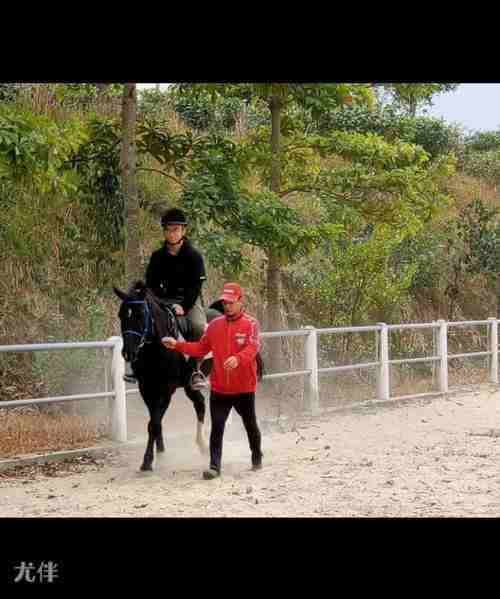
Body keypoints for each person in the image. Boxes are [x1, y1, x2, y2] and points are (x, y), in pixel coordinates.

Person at [162, 282, 263, 479]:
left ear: (240, 301)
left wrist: (238, 358)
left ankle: (257, 457)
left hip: (244, 388)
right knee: (217, 426)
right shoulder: (215, 326)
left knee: (250, 424)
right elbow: (200, 348)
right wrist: (176, 345)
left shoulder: (251, 324)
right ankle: (214, 466)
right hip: (220, 389)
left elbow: (253, 347)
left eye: (231, 302)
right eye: (225, 302)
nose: (227, 306)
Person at [123, 207, 208, 389]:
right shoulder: (157, 257)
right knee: (141, 320)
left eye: (176, 229)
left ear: (183, 231)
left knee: (198, 326)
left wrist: (183, 307)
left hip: (189, 301)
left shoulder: (194, 256)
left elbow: (195, 286)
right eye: (168, 229)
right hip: (162, 300)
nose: (172, 233)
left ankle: (196, 370)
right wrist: (155, 302)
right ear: (164, 231)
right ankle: (136, 366)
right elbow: (151, 285)